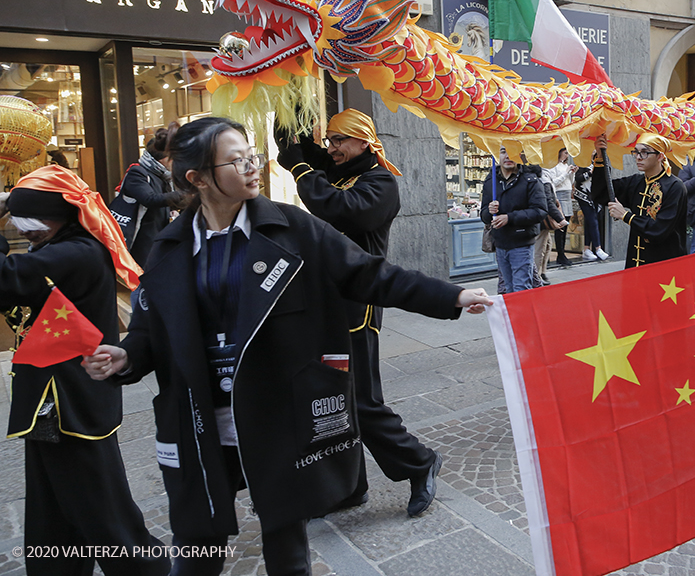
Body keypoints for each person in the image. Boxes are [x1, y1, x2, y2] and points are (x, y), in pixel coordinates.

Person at [84, 117, 491, 576]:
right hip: (197, 417)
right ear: (197, 178)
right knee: (197, 542)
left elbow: (370, 274)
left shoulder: (291, 228)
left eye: (252, 156)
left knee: (286, 543)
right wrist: (127, 356)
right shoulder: (170, 247)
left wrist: (451, 296)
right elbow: (149, 327)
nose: (252, 168)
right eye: (236, 161)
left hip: (275, 412)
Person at [274, 108, 444, 516]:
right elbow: (294, 148)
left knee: (362, 401)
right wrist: (288, 102)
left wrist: (302, 166)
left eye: (339, 141)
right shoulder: (341, 171)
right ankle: (350, 486)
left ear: (364, 142)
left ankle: (420, 462)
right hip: (325, 302)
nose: (331, 148)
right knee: (332, 400)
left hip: (358, 306)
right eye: (330, 140)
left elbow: (339, 208)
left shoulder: (380, 182)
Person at [4, 165, 169, 576]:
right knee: (51, 501)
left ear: (54, 217)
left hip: (69, 399)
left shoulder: (75, 252)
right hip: (53, 395)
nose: (24, 232)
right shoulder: (62, 245)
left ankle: (144, 567)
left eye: (29, 222)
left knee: (96, 500)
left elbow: (6, 280)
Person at [591, 134, 687, 268]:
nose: (638, 157)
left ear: (660, 156)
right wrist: (601, 158)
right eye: (636, 152)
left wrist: (626, 216)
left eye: (645, 152)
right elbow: (601, 194)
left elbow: (659, 229)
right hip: (635, 262)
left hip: (664, 264)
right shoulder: (635, 182)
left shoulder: (675, 187)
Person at [480, 148, 547, 292]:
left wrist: (509, 218)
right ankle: (513, 315)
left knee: (521, 288)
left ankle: (523, 315)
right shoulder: (491, 180)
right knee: (508, 289)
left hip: (521, 242)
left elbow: (540, 211)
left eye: (512, 150)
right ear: (497, 155)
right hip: (500, 242)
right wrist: (489, 211)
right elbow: (484, 215)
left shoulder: (530, 180)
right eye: (503, 151)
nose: (508, 155)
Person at [119, 125, 188, 266]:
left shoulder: (165, 176)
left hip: (161, 234)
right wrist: (184, 194)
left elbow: (173, 202)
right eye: (173, 158)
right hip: (143, 237)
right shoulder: (138, 173)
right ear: (162, 158)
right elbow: (150, 199)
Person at [529, 158, 568, 286]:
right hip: (541, 219)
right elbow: (548, 201)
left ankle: (542, 272)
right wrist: (560, 218)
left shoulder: (544, 175)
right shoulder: (542, 178)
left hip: (540, 217)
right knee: (539, 249)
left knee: (546, 246)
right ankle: (536, 275)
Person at [544, 148, 576, 267]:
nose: (567, 155)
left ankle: (561, 254)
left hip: (567, 196)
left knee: (566, 226)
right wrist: (566, 173)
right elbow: (554, 183)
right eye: (565, 152)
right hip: (559, 196)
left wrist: (572, 173)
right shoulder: (553, 166)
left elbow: (570, 182)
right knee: (559, 227)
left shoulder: (565, 165)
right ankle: (560, 254)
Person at [573, 165, 609, 261]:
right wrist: (590, 172)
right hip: (584, 197)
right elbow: (578, 178)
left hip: (595, 197)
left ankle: (586, 249)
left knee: (590, 222)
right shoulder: (583, 164)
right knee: (592, 221)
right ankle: (598, 248)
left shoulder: (600, 164)